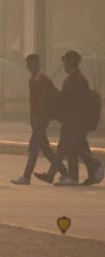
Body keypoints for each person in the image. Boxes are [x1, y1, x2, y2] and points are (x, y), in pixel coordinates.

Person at [47, 51, 103, 186]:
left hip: (74, 120)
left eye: (65, 63)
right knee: (76, 146)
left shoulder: (75, 79)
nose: (64, 66)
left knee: (72, 146)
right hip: (73, 119)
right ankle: (76, 175)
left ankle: (95, 165)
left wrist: (57, 98)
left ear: (71, 63)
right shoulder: (75, 78)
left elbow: (71, 101)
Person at [12, 54, 66, 185]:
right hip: (37, 119)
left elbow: (46, 101)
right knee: (44, 148)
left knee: (34, 149)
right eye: (28, 65)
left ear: (37, 64)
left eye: (32, 64)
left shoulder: (43, 80)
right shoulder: (32, 80)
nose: (29, 67)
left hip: (42, 118)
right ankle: (64, 171)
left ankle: (26, 176)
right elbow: (33, 103)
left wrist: (42, 117)